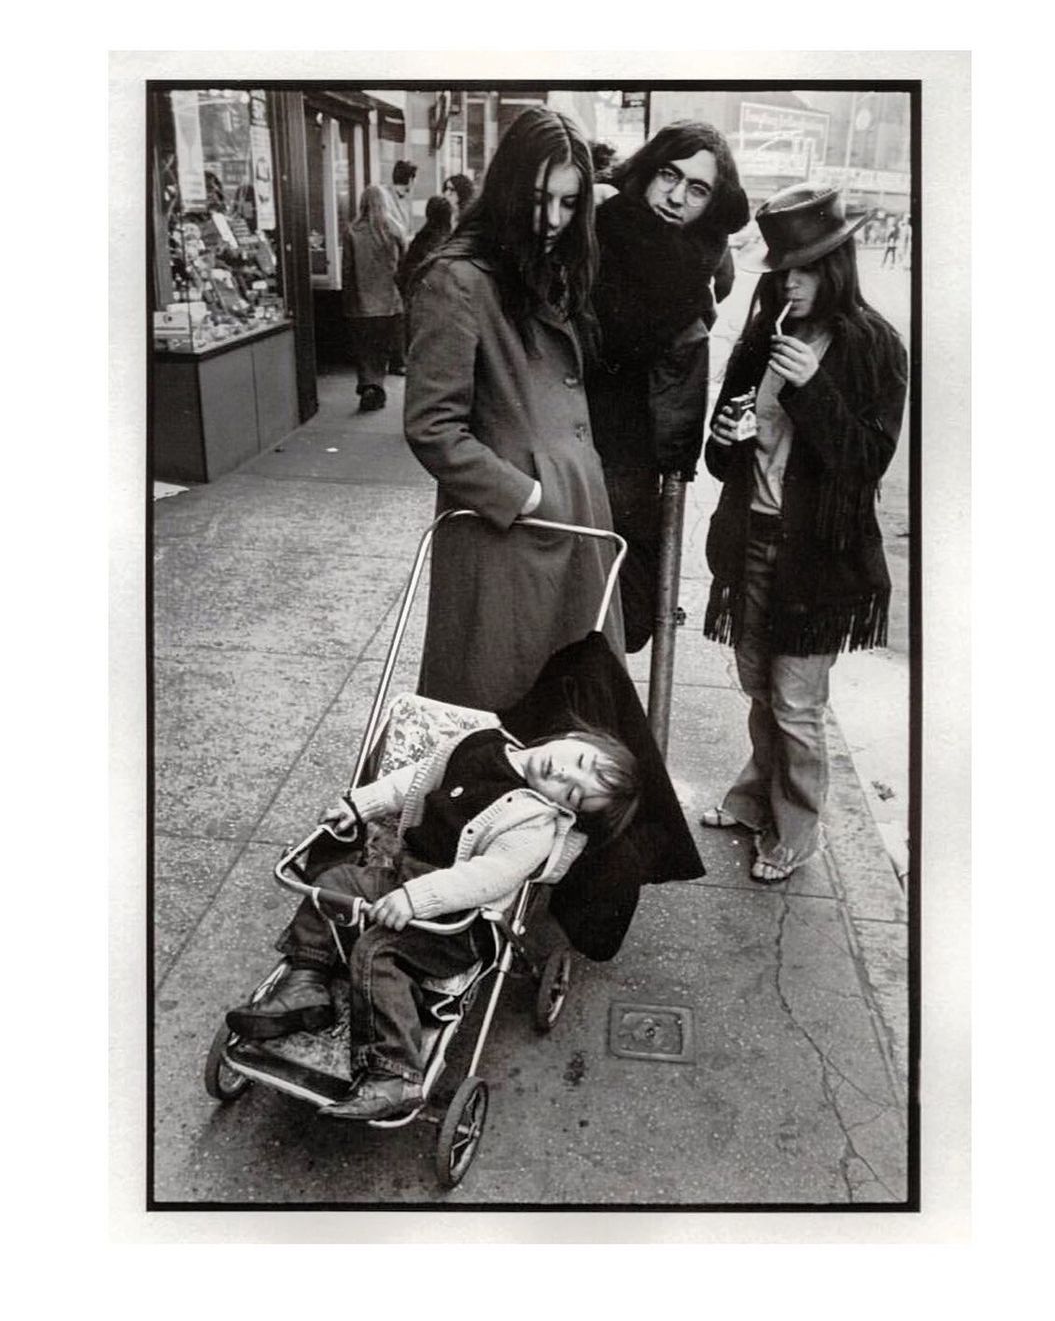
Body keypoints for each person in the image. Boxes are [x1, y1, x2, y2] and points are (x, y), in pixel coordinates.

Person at [225, 725, 640, 1120]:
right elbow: (415, 782)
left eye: (572, 794)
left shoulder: (535, 824)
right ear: (573, 737)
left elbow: (485, 877)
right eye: (580, 761)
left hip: (459, 922)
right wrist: (361, 805)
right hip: (403, 879)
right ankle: (306, 984)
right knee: (333, 884)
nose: (564, 775)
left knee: (376, 951)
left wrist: (417, 899)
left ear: (566, 809)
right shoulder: (480, 743)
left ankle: (395, 1073)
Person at [700, 183, 908, 883]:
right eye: (783, 269)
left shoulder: (874, 347)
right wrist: (726, 438)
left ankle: (797, 830)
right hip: (752, 540)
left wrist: (814, 387)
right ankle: (755, 797)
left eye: (806, 268)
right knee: (759, 687)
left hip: (819, 559)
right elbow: (723, 458)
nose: (791, 282)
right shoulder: (763, 338)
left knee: (796, 702)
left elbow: (866, 462)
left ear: (836, 266)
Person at [404, 105, 625, 712]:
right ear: (506, 190)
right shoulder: (458, 279)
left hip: (572, 521)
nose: (553, 219)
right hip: (507, 532)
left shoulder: (555, 267)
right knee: (496, 702)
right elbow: (432, 425)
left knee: (572, 713)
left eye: (569, 203)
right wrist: (525, 495)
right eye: (537, 200)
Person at [586, 121, 750, 651]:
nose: (676, 197)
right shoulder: (595, 225)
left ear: (713, 203)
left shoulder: (699, 262)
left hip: (632, 463)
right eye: (669, 176)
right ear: (647, 172)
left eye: (697, 189)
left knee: (627, 618)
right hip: (566, 447)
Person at [341, 185, 407, 413]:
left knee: (364, 349)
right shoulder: (395, 230)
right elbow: (404, 265)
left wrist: (347, 299)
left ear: (363, 204)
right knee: (381, 348)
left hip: (361, 303)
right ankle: (375, 386)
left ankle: (369, 385)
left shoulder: (352, 232)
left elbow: (347, 270)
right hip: (389, 303)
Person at [397, 194, 453, 344]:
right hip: (443, 309)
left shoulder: (419, 240)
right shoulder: (449, 242)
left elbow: (404, 274)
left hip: (418, 306)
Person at [382, 160, 417, 374]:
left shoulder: (403, 199)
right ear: (410, 179)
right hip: (391, 262)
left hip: (401, 261)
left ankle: (399, 358)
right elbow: (395, 230)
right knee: (397, 313)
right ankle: (397, 359)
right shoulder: (386, 198)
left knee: (401, 313)